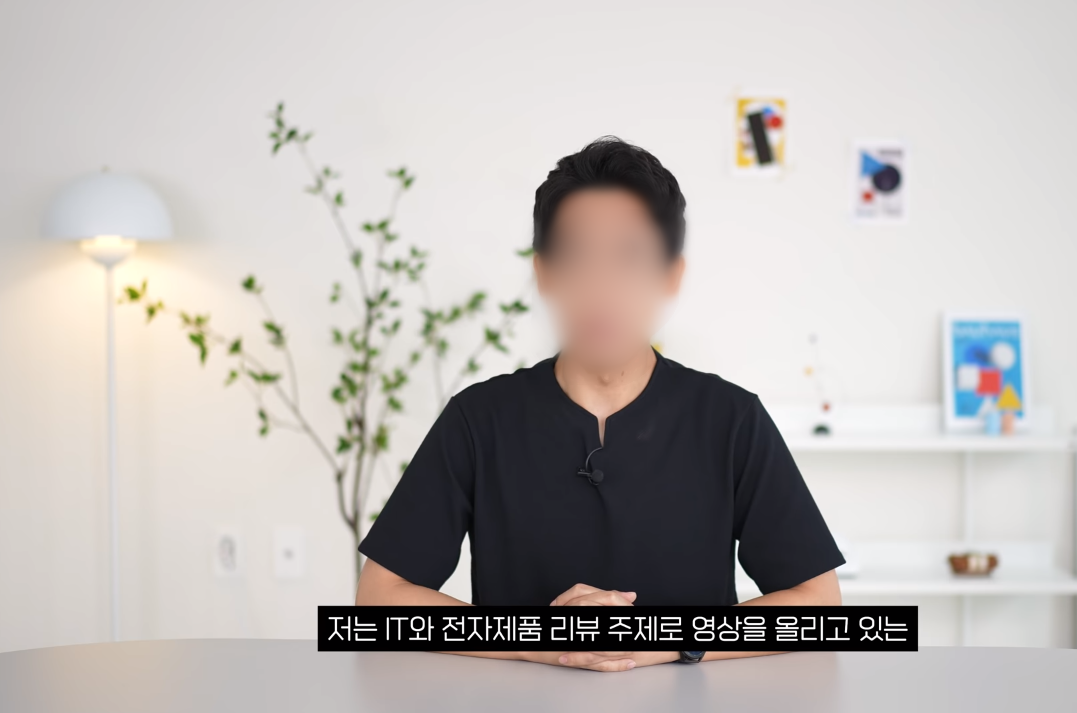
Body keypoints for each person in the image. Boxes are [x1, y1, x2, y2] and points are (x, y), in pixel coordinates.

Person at [356, 136, 844, 672]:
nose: (602, 287)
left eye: (629, 258)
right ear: (544, 274)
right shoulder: (478, 419)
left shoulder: (730, 419)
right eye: (577, 257)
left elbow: (819, 606)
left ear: (670, 276)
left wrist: (664, 640)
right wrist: (539, 638)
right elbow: (379, 601)